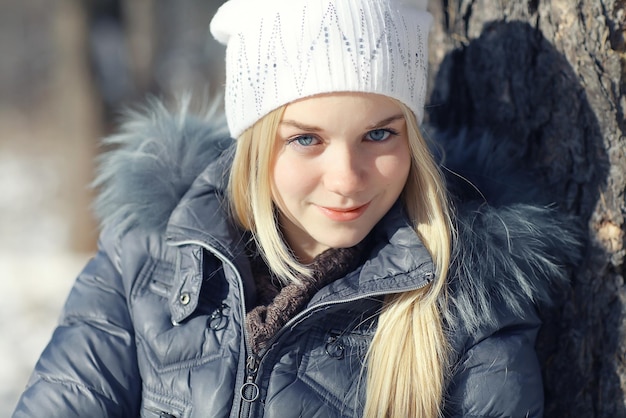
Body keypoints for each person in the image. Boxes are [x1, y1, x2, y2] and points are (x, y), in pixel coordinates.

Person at [13, 0, 580, 416]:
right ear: (256, 143)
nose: (347, 179)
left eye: (380, 135)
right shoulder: (143, 262)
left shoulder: (469, 307)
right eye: (306, 139)